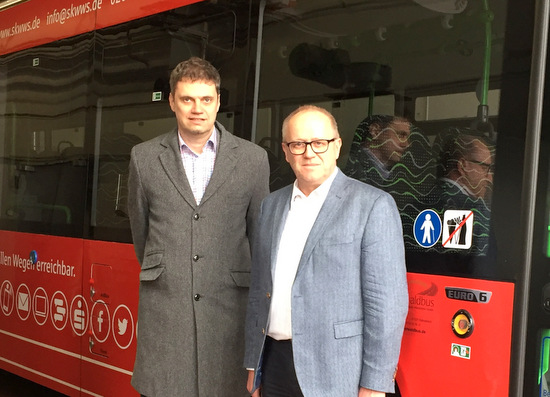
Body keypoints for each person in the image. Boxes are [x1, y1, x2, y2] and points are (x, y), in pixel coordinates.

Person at [127, 56, 270, 397]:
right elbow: (141, 234)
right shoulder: (144, 158)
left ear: (218, 102)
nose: (197, 108)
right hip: (167, 308)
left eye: (206, 99)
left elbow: (258, 234)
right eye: (187, 99)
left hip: (229, 312)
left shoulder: (252, 159)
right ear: (173, 102)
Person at [244, 105, 409, 397]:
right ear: (285, 150)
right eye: (298, 144)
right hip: (275, 365)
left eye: (319, 143)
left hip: (337, 370)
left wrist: (375, 383)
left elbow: (386, 306)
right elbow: (259, 289)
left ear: (337, 146)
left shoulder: (373, 206)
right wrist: (252, 366)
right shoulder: (270, 206)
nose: (309, 153)